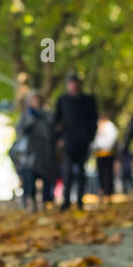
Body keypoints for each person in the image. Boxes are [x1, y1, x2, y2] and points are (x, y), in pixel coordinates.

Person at [52, 72, 98, 210]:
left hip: (83, 141)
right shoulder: (63, 100)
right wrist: (59, 138)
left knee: (82, 171)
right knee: (67, 171)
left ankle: (79, 200)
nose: (74, 86)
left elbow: (93, 120)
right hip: (68, 141)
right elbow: (56, 121)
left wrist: (90, 137)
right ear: (68, 85)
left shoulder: (88, 100)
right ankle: (66, 200)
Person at [10, 93, 54, 211]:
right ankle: (30, 202)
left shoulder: (47, 115)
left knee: (46, 178)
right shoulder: (26, 116)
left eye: (38, 100)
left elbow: (52, 131)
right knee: (29, 177)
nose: (36, 102)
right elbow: (20, 131)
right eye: (34, 100)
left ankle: (46, 202)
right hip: (30, 153)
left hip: (45, 151)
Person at [92, 111, 118, 201]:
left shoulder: (109, 126)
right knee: (101, 173)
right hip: (99, 154)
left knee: (108, 173)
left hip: (108, 153)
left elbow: (112, 138)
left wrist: (106, 147)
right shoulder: (97, 126)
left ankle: (109, 192)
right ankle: (102, 190)